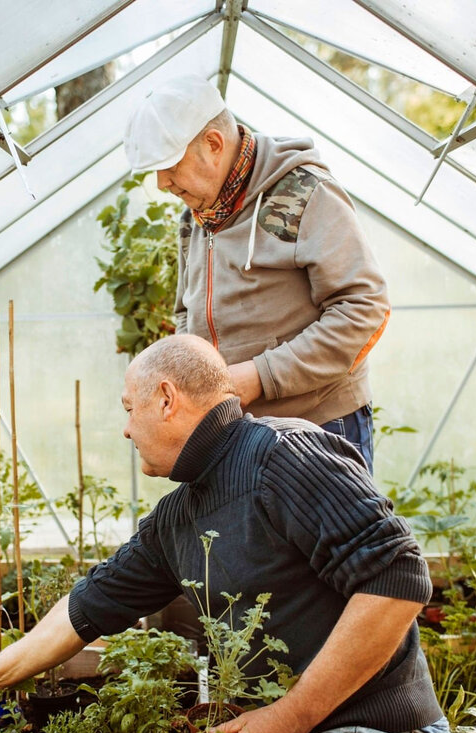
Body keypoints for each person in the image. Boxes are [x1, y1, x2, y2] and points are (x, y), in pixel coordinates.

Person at [0, 335, 450, 733]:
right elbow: (86, 607)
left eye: (129, 409)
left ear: (166, 398)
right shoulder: (178, 518)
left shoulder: (284, 456)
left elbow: (397, 578)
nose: (125, 429)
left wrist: (285, 718)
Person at [122, 75, 391, 472]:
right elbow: (187, 313)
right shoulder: (195, 218)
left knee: (326, 535)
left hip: (317, 427)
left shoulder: (305, 193)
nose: (162, 183)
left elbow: (364, 309)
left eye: (168, 166)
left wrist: (258, 376)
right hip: (234, 433)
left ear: (213, 144)